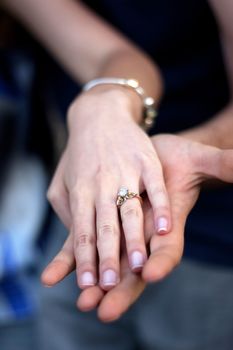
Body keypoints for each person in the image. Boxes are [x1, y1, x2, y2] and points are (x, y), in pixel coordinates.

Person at [1, 0, 233, 349]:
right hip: (89, 202)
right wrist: (103, 104)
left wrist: (191, 150)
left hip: (214, 235)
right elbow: (111, 56)